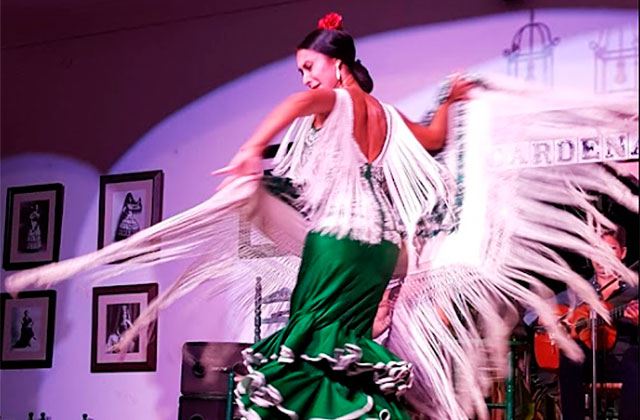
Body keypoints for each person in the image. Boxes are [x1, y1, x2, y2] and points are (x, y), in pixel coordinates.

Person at [216, 12, 474, 418]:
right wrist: (448, 101)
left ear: (337, 65)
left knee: (302, 353)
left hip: (338, 241)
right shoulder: (386, 114)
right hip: (380, 251)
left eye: (308, 67)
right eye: (301, 70)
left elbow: (298, 103)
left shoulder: (335, 100)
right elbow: (436, 140)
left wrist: (252, 147)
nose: (305, 78)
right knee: (343, 356)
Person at [557, 226, 638, 420]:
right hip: (588, 364)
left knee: (635, 357)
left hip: (623, 363)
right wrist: (552, 320)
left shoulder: (635, 289)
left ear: (623, 253)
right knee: (570, 354)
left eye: (610, 250)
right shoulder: (579, 290)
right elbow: (532, 313)